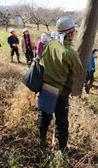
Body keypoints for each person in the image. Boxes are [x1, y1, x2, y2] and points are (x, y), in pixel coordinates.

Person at [36, 16, 82, 151]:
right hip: (61, 91)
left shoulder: (50, 44)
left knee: (44, 116)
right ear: (70, 34)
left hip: (46, 86)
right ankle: (62, 149)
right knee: (61, 121)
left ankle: (41, 141)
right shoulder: (70, 53)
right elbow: (78, 69)